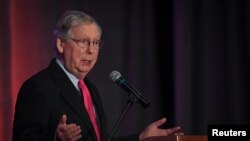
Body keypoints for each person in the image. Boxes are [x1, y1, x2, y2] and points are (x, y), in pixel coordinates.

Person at [12, 10, 181, 141]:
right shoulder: (38, 87)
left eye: (95, 43)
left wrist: (141, 138)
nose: (91, 51)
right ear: (61, 43)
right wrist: (55, 138)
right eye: (83, 42)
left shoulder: (89, 89)